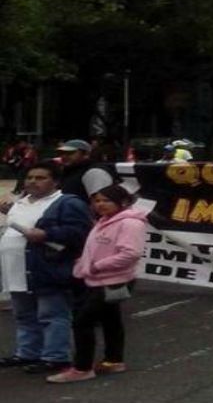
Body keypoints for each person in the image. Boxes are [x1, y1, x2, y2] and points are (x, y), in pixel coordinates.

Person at [47, 185, 146, 383]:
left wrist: (95, 266)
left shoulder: (130, 223)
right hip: (98, 279)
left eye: (106, 200)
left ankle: (82, 368)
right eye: (97, 200)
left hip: (114, 280)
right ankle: (113, 361)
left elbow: (130, 254)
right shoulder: (104, 221)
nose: (100, 204)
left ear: (123, 202)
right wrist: (83, 264)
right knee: (110, 319)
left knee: (82, 321)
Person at [0, 162, 92, 374]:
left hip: (48, 269)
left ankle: (55, 356)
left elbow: (80, 233)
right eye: (30, 177)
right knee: (24, 315)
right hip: (17, 270)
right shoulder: (20, 203)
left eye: (40, 178)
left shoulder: (67, 203)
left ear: (56, 182)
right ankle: (28, 352)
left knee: (52, 314)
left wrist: (47, 235)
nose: (33, 181)